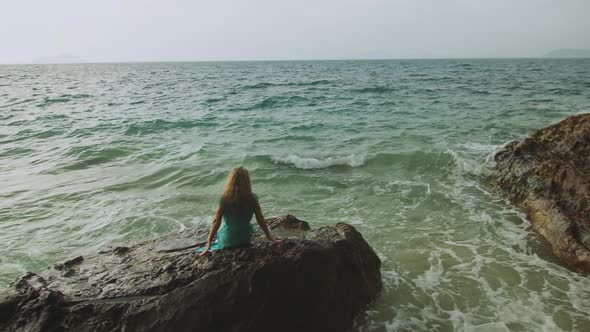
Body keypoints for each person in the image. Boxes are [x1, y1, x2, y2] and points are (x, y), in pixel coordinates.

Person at [199, 166, 281, 256]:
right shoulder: (252, 198)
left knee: (224, 227)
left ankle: (219, 241)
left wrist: (209, 242)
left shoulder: (225, 198)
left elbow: (216, 221)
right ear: (247, 181)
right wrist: (269, 236)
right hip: (245, 238)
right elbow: (260, 218)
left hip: (228, 239)